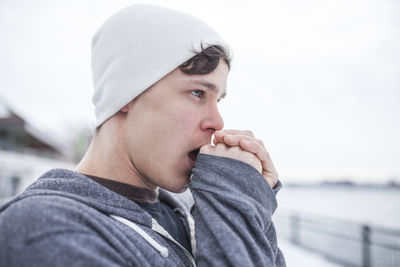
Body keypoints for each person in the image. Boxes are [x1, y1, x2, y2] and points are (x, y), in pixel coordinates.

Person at [0, 4, 286, 266]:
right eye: (197, 92)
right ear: (125, 93)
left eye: (218, 100)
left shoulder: (181, 216)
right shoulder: (44, 229)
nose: (217, 122)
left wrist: (250, 208)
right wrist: (233, 199)